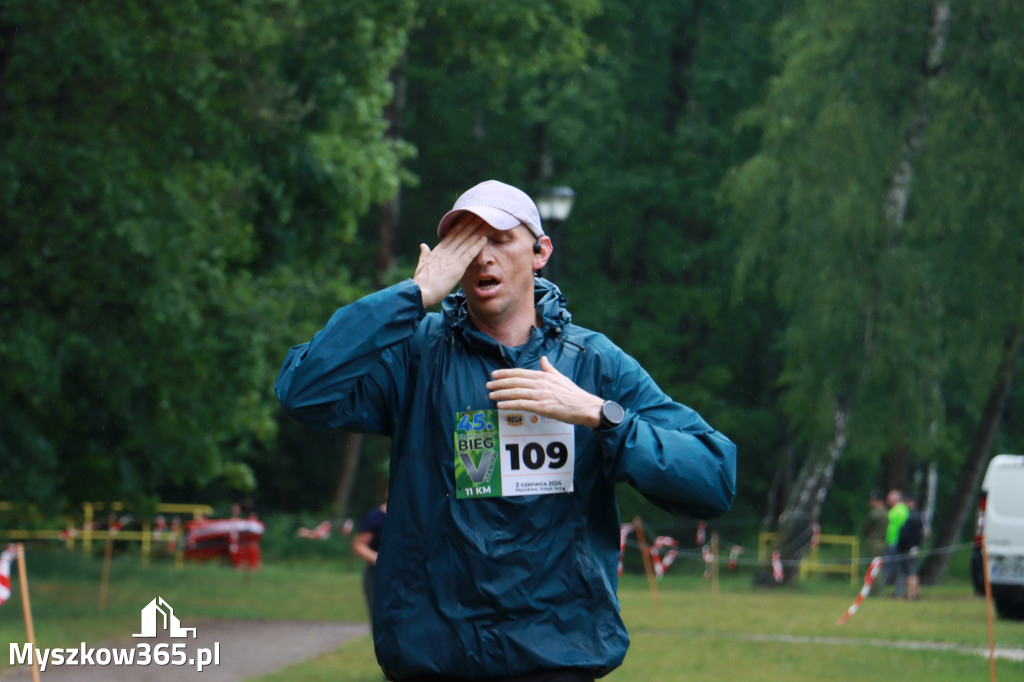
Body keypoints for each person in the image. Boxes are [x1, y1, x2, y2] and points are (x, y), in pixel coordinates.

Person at [275, 179, 737, 682]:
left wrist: (602, 416)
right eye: (466, 243)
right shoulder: (417, 355)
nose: (481, 257)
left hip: (558, 659)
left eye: (499, 239)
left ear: (540, 252)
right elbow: (304, 390)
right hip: (433, 661)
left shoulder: (594, 364)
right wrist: (411, 297)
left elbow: (713, 477)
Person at [352, 495, 388, 624]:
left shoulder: (420, 514)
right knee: (381, 621)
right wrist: (380, 560)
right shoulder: (375, 517)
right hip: (377, 575)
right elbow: (359, 544)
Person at [896, 493, 923, 600]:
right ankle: (913, 593)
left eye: (906, 502)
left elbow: (906, 535)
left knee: (910, 571)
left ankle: (911, 594)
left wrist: (901, 545)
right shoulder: (919, 515)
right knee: (913, 571)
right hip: (914, 547)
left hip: (908, 548)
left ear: (911, 503)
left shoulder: (911, 517)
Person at [883, 489, 909, 597]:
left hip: (896, 542)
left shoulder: (900, 510)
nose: (888, 500)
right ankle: (897, 590)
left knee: (892, 567)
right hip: (892, 541)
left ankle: (895, 591)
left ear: (896, 498)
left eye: (890, 497)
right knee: (894, 567)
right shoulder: (897, 509)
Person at [861, 490, 888, 594]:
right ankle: (877, 589)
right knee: (879, 566)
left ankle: (876, 591)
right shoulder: (887, 513)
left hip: (873, 542)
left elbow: (866, 528)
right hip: (883, 542)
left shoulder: (873, 514)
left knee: (874, 567)